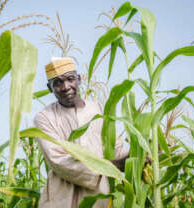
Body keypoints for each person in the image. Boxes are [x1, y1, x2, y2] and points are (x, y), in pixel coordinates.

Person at [34, 57, 129, 208]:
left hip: (100, 197)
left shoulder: (99, 109)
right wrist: (110, 166)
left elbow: (115, 151)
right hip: (62, 199)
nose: (65, 87)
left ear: (79, 79)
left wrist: (138, 157)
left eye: (70, 79)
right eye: (57, 83)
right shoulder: (45, 117)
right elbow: (58, 161)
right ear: (49, 88)